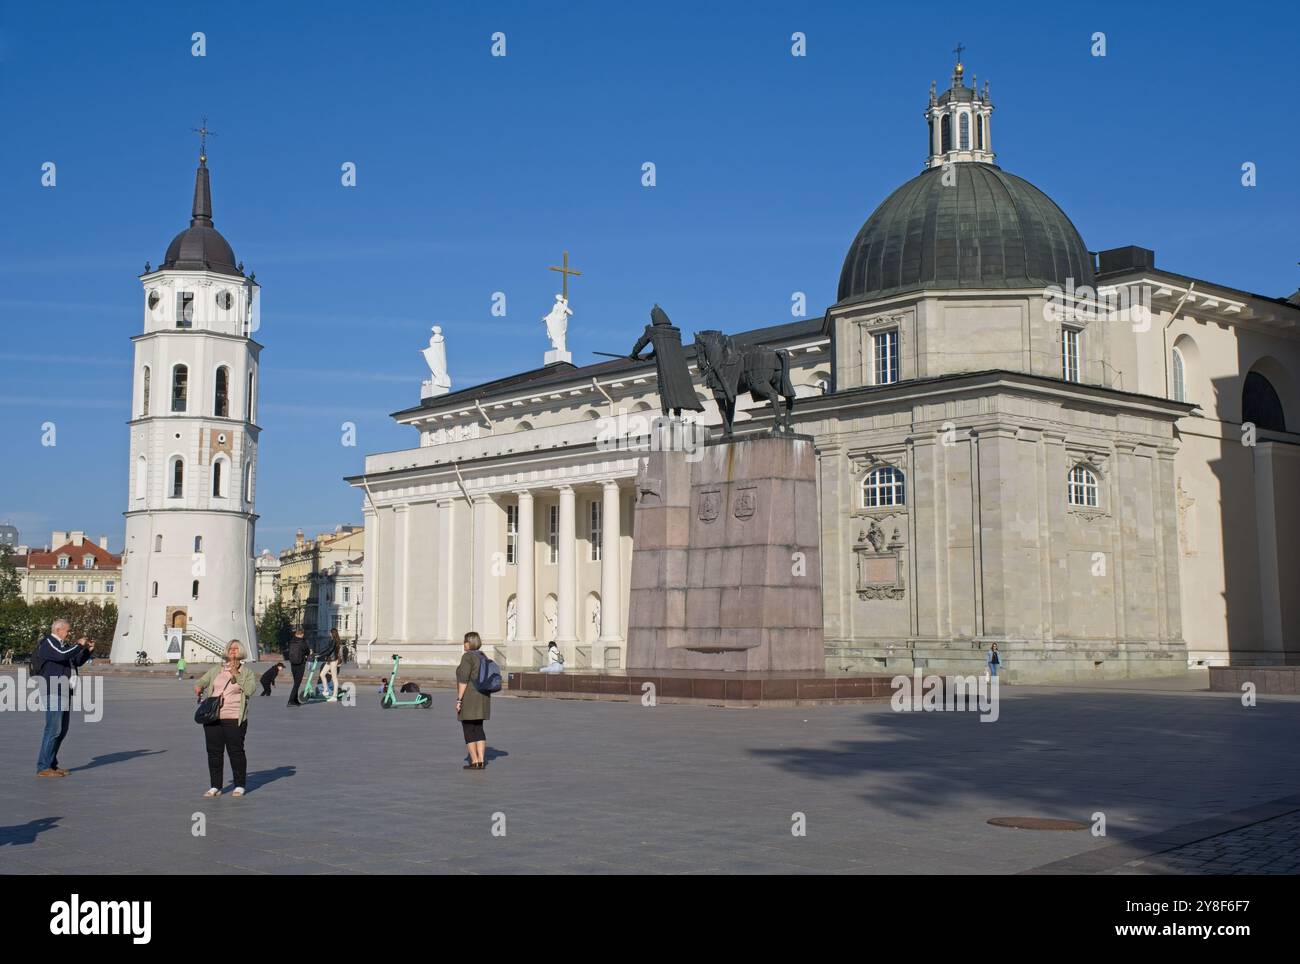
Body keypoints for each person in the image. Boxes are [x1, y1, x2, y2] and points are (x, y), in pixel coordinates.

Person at [194, 640, 256, 797]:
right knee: (214, 752)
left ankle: (240, 784)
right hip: (213, 717)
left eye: (236, 648)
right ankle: (216, 786)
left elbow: (250, 690)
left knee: (236, 751)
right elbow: (203, 680)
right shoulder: (217, 669)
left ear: (241, 652)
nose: (233, 651)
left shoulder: (246, 672)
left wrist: (236, 675)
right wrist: (199, 686)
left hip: (234, 717)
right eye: (230, 648)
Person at [33, 619, 94, 778]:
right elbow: (61, 656)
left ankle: (51, 764)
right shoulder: (49, 642)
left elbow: (75, 661)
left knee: (61, 730)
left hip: (64, 690)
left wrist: (87, 650)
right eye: (67, 630)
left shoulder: (63, 645)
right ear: (59, 630)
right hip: (53, 689)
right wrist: (79, 645)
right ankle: (43, 767)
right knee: (53, 729)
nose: (69, 633)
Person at [455, 631, 490, 771]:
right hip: (483, 696)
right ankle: (481, 760)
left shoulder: (467, 657)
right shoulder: (482, 656)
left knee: (468, 728)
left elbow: (463, 680)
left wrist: (459, 700)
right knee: (478, 728)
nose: (463, 644)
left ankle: (474, 761)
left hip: (470, 697)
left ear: (469, 643)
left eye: (465, 641)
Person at [286, 630, 309, 706]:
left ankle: (295, 700)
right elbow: (307, 651)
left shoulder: (292, 641)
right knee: (297, 684)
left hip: (293, 664)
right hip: (300, 665)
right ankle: (290, 701)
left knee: (296, 682)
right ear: (302, 634)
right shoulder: (302, 642)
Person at [320, 628, 342, 702]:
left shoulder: (335, 641)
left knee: (334, 678)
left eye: (330, 633)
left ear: (332, 633)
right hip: (329, 660)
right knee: (322, 674)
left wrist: (320, 655)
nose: (329, 634)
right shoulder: (332, 640)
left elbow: (330, 650)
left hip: (333, 661)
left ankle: (334, 696)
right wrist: (318, 653)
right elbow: (327, 648)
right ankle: (326, 690)